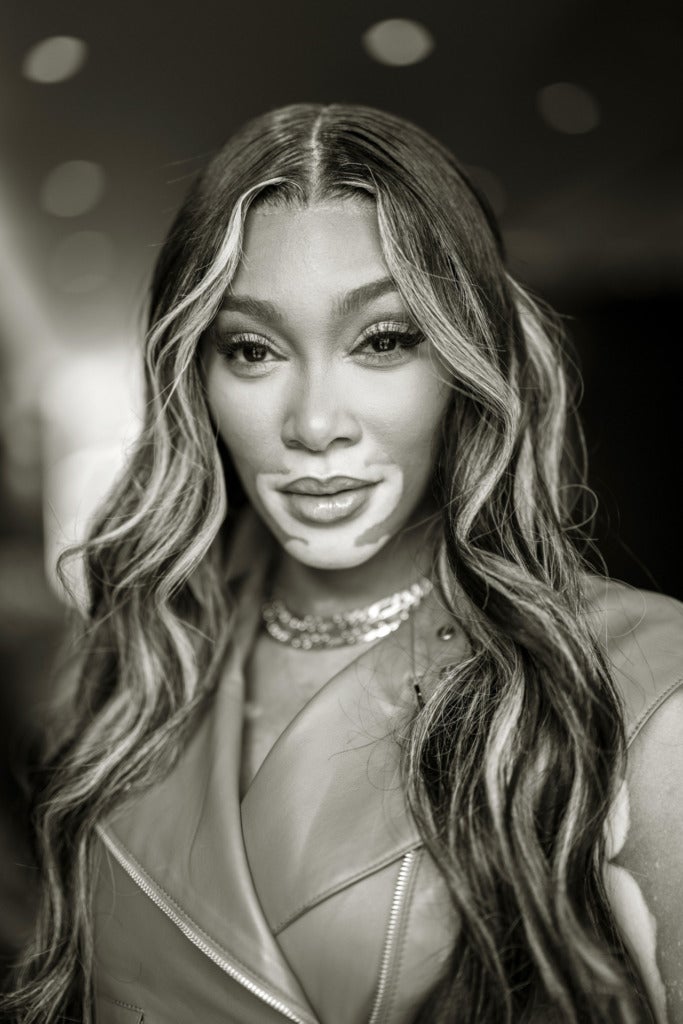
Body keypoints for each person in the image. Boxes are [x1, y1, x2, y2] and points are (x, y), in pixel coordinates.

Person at [4, 103, 682, 1024]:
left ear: (462, 359)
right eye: (251, 349)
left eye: (383, 340)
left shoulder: (642, 682)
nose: (316, 423)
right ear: (193, 377)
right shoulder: (134, 664)